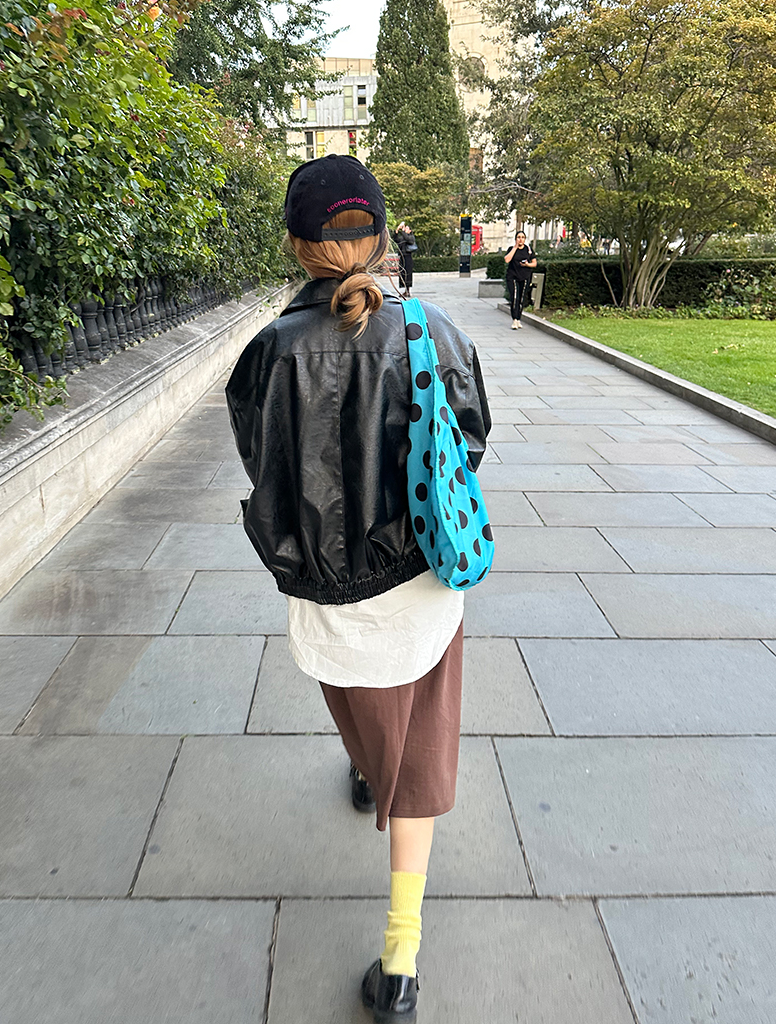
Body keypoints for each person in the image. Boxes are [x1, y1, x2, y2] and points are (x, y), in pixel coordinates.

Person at [226, 154, 491, 1023]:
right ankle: (401, 963)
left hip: (326, 590)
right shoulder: (432, 331)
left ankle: (368, 764)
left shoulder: (269, 351)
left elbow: (261, 464)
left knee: (359, 700)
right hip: (423, 575)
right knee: (423, 755)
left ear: (296, 246)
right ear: (381, 239)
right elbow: (471, 440)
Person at [504, 230, 537, 329]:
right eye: (518, 237)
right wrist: (515, 247)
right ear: (515, 239)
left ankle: (518, 319)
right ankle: (514, 319)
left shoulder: (528, 250)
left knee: (521, 298)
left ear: (525, 239)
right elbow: (507, 259)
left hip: (524, 276)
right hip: (512, 276)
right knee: (514, 297)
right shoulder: (511, 249)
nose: (520, 239)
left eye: (522, 237)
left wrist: (527, 264)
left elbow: (534, 263)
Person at [393, 220, 417, 298]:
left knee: (408, 273)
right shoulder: (403, 237)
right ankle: (404, 289)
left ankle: (408, 290)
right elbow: (396, 240)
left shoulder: (411, 237)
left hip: (408, 257)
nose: (405, 229)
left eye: (407, 228)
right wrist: (397, 230)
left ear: (410, 230)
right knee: (402, 273)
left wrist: (403, 231)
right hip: (402, 256)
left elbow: (408, 239)